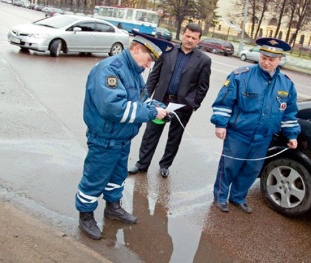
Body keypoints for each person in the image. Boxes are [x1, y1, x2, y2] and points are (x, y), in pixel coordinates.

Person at [75, 31, 174, 240]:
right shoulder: (110, 69)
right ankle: (85, 215)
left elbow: (142, 100)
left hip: (121, 138)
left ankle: (112, 207)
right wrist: (151, 113)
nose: (149, 66)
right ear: (137, 49)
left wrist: (159, 108)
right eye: (149, 60)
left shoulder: (134, 72)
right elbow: (114, 108)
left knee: (117, 178)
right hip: (104, 138)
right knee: (94, 179)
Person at [210, 37, 301, 213]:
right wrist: (220, 124)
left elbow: (289, 113)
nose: (266, 62)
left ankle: (238, 197)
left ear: (280, 60)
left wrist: (292, 135)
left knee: (251, 169)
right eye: (263, 57)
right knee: (229, 166)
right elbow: (224, 102)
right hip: (239, 133)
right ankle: (220, 197)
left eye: (271, 59)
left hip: (263, 137)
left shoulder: (287, 84)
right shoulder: (241, 75)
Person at [128, 23, 212, 178]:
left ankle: (165, 165)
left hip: (182, 106)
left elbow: (203, 87)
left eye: (194, 38)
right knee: (151, 134)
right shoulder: (168, 51)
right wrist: (146, 98)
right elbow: (154, 76)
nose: (189, 40)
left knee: (174, 137)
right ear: (182, 35)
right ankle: (142, 164)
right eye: (187, 36)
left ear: (199, 40)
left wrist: (193, 105)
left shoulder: (204, 60)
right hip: (161, 101)